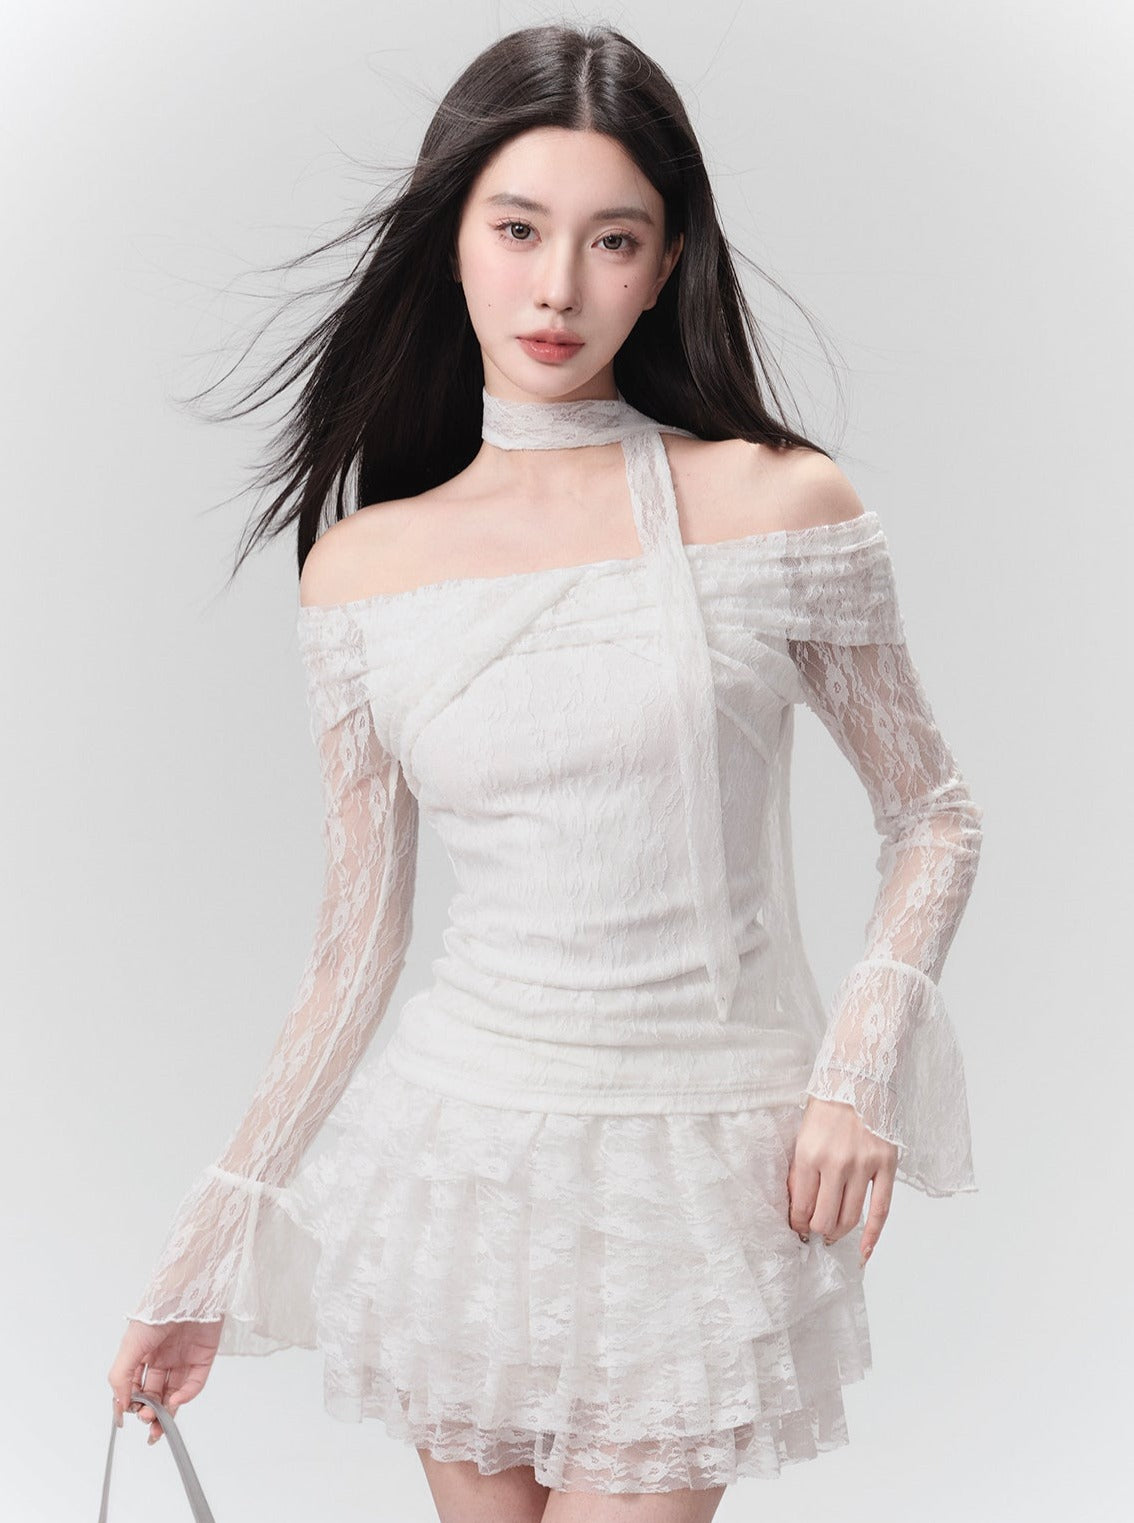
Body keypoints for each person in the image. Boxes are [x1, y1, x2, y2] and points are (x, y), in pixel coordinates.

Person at [107, 21, 984, 1522]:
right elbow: (351, 955)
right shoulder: (363, 570)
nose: (558, 287)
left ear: (667, 260)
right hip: (463, 1164)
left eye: (611, 239)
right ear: (454, 236)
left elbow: (933, 815)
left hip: (696, 1169)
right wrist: (198, 1260)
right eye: (518, 230)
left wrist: (857, 1075)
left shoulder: (778, 506)